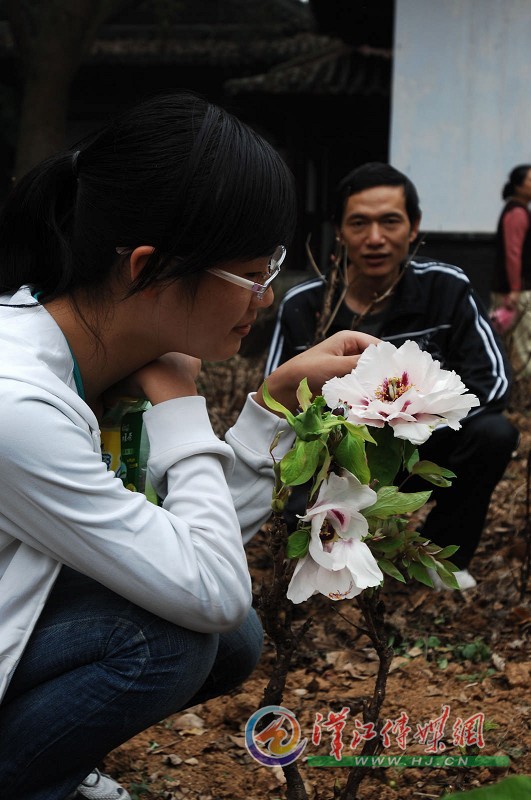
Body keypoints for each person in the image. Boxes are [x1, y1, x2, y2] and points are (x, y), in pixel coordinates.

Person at [0, 93, 378, 800]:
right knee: (169, 640)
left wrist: (269, 412)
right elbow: (209, 590)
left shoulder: (70, 356)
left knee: (223, 636)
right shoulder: (16, 402)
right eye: (251, 272)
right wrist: (180, 412)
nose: (265, 298)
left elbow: (192, 565)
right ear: (145, 267)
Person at [266, 161, 518, 592]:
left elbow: (492, 380)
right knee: (303, 524)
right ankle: (335, 568)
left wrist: (414, 419)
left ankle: (443, 559)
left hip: (425, 448)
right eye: (359, 223)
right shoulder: (302, 305)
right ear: (340, 232)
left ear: (414, 227)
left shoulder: (446, 288)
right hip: (334, 456)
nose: (375, 238)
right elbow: (274, 398)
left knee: (494, 433)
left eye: (390, 221)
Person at [492, 164, 531, 375]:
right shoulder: (517, 212)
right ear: (517, 186)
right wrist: (515, 289)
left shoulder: (519, 209)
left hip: (514, 289)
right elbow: (513, 253)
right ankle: (521, 399)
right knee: (520, 348)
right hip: (515, 292)